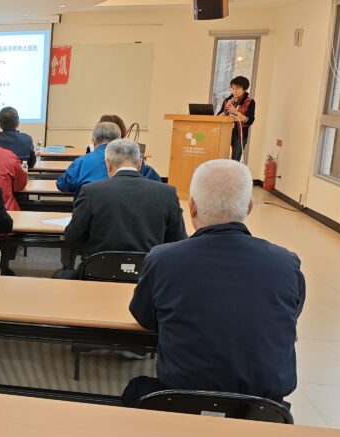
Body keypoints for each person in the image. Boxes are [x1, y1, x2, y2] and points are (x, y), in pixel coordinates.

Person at [122, 159, 304, 406]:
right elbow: (289, 316)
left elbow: (145, 318)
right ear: (250, 207)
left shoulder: (162, 259)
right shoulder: (286, 264)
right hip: (263, 409)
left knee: (134, 389)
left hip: (180, 401)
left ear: (192, 207)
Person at [56, 139, 186, 277]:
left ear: (108, 164)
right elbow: (178, 241)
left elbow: (72, 237)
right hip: (148, 275)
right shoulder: (167, 193)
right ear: (139, 164)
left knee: (60, 275)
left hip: (97, 273)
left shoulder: (90, 192)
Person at [57, 121, 162, 197]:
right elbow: (158, 184)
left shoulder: (81, 162)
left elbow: (62, 185)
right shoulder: (133, 162)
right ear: (119, 139)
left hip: (90, 216)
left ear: (93, 141)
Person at [217, 75, 256, 161]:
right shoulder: (227, 100)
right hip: (225, 132)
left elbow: (250, 120)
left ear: (244, 89)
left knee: (235, 158)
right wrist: (225, 111)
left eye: (237, 88)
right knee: (222, 156)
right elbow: (218, 117)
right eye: (233, 88)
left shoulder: (250, 102)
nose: (234, 91)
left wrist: (236, 112)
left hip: (240, 135)